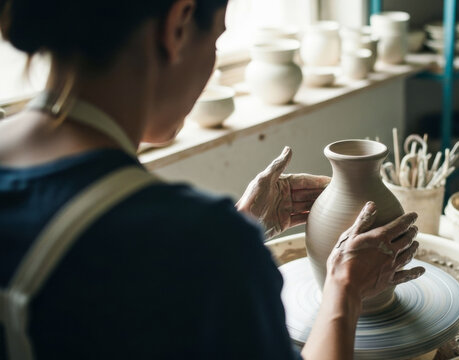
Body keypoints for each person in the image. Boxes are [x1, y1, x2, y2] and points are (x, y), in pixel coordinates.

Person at [0, 0, 425, 359]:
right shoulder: (207, 243)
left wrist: (241, 226)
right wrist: (345, 291)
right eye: (218, 39)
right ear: (178, 25)